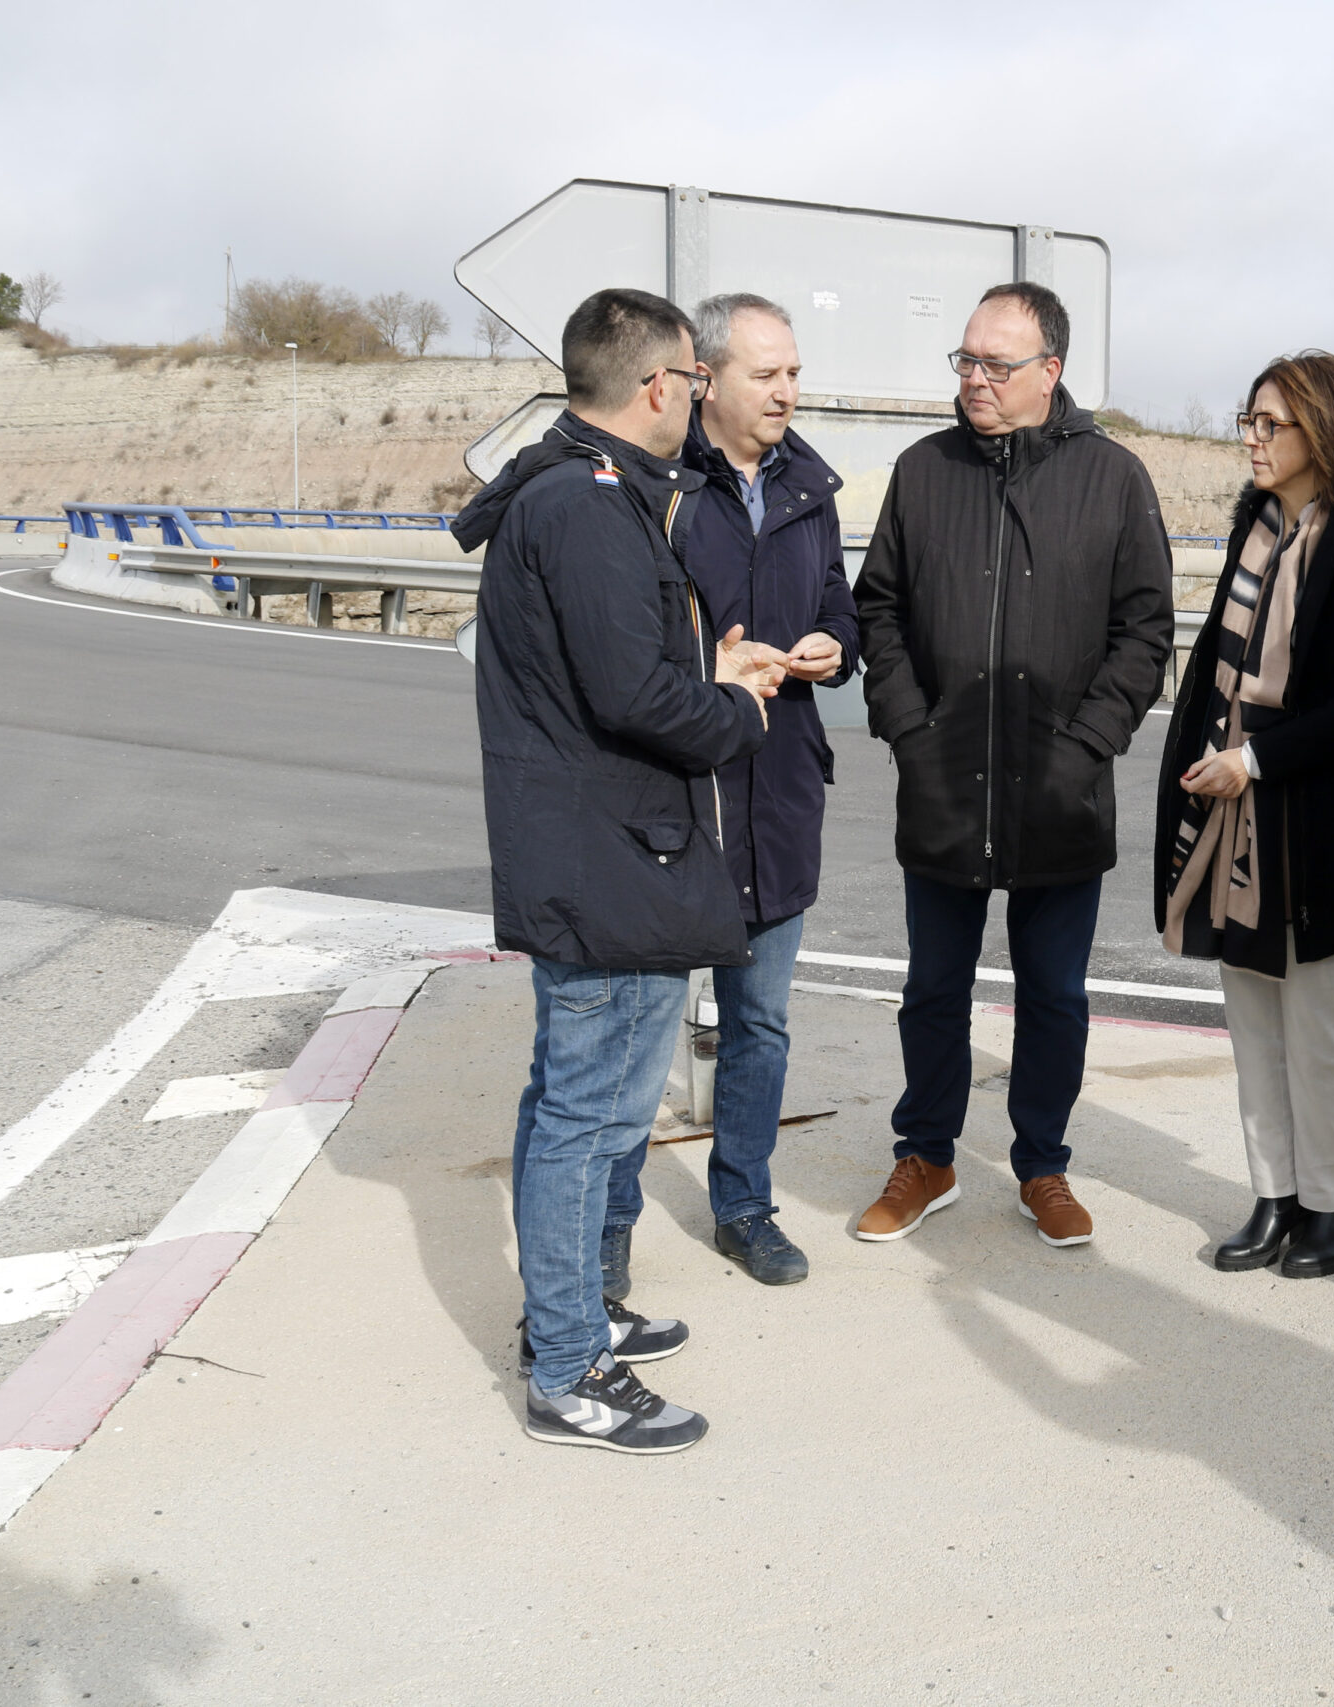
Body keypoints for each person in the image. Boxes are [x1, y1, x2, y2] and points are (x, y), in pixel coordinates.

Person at [458, 287, 783, 1455]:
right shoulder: (587, 506)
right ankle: (566, 1371)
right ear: (658, 387)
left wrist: (708, 670)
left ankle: (578, 1315)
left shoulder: (585, 493)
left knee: (593, 1108)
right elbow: (632, 696)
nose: (699, 397)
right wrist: (735, 703)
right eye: (696, 379)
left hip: (616, 854)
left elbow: (620, 669)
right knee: (582, 1114)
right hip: (603, 864)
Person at [852, 281, 1175, 1248]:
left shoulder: (1114, 478)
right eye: (966, 360)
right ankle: (926, 1156)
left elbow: (1145, 632)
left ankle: (1043, 1165)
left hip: (1061, 793)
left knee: (1055, 997)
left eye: (997, 364)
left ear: (1051, 371)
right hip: (944, 784)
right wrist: (911, 732)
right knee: (932, 990)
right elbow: (879, 609)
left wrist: (1085, 746)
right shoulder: (923, 471)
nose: (975, 379)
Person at [596, 293, 858, 1294]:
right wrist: (706, 673)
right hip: (680, 798)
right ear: (705, 379)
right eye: (767, 374)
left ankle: (745, 1207)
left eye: (794, 372)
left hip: (779, 792)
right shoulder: (657, 486)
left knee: (761, 1025)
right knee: (640, 1035)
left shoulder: (809, 486)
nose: (787, 391)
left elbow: (840, 604)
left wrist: (836, 645)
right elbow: (626, 646)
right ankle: (607, 1232)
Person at [1156, 352, 1334, 1280]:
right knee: (1252, 1015)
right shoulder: (1257, 529)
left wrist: (1256, 760)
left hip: (1317, 816)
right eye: (1249, 420)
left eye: (1272, 424)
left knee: (1315, 1021)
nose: (1253, 440)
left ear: (1323, 429)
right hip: (1235, 812)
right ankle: (1275, 1194)